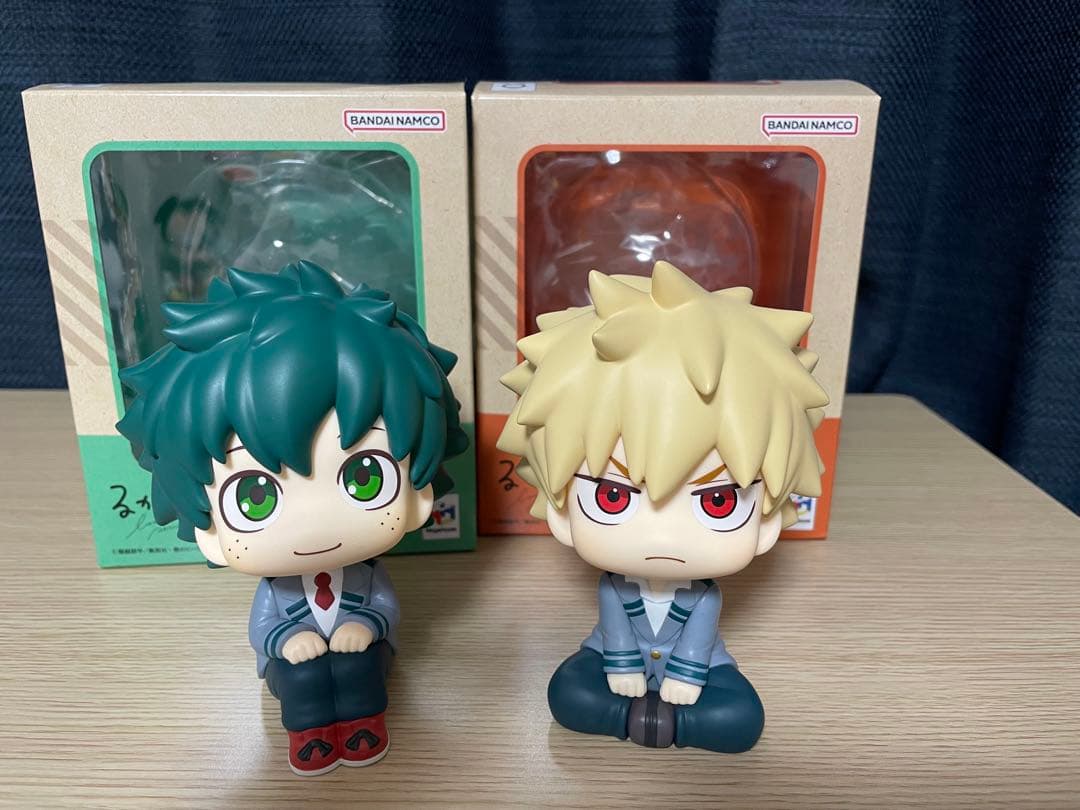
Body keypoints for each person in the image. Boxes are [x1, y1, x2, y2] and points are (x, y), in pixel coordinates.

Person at [117, 260, 468, 775]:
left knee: (360, 669)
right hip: (293, 666)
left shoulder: (367, 576)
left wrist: (366, 624)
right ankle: (310, 738)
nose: (315, 520)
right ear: (208, 531)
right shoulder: (275, 591)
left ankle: (364, 727)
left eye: (366, 477)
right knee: (303, 681)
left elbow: (387, 608)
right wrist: (285, 640)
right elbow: (261, 628)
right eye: (254, 496)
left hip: (363, 652)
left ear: (418, 493)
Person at [497, 260, 827, 752]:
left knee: (741, 718)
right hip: (613, 661)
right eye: (612, 496)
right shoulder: (612, 589)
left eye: (718, 501)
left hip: (696, 670)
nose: (662, 536)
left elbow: (698, 642)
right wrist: (621, 666)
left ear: (767, 523)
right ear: (561, 513)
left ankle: (658, 722)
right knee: (567, 693)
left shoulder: (705, 599)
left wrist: (687, 677)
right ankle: (650, 719)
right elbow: (615, 633)